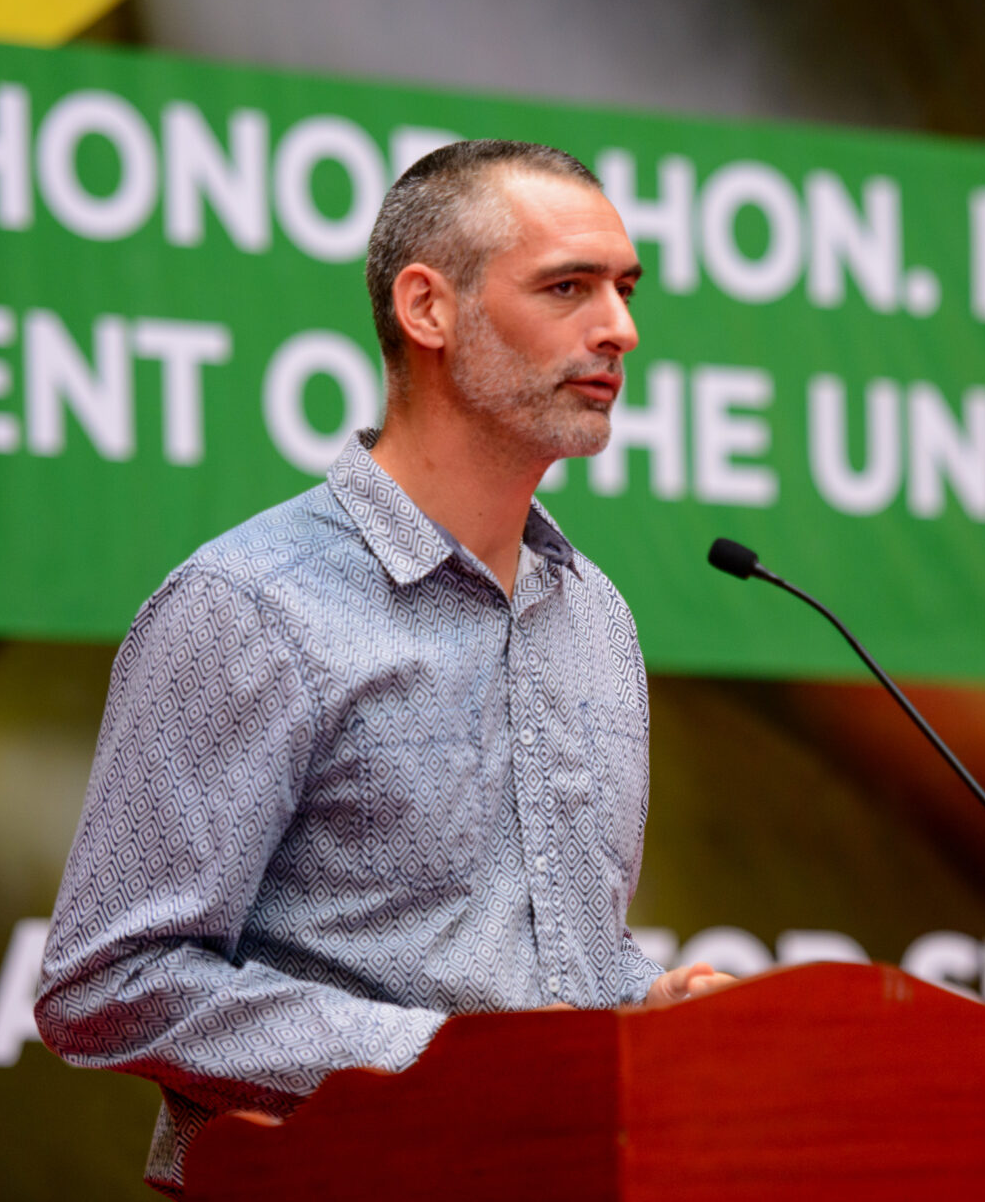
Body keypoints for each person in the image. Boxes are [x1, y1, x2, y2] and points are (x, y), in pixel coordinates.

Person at [36, 139, 730, 1196]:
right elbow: (109, 982)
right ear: (426, 308)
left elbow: (544, 967)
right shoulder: (250, 605)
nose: (619, 328)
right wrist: (444, 1059)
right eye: (568, 287)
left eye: (624, 289)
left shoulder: (593, 614)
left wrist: (639, 1008)